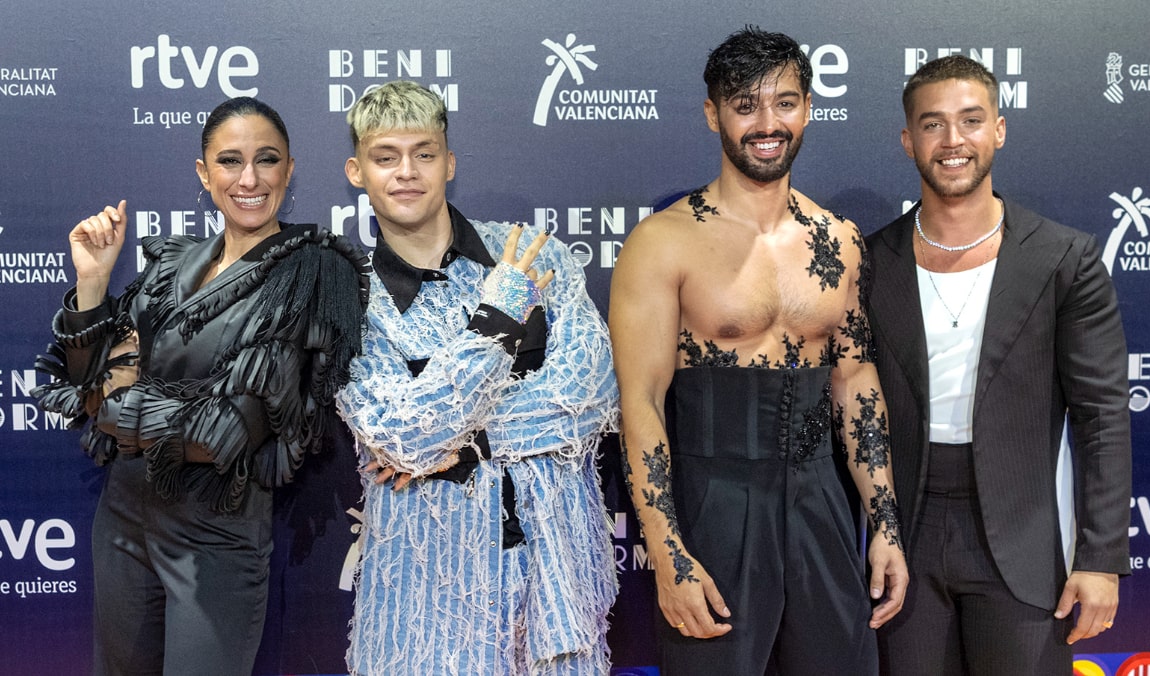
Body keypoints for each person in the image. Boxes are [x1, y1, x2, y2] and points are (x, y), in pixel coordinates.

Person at [33, 97, 370, 675]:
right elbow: (82, 380)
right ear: (202, 172)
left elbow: (222, 433)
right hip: (121, 519)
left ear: (290, 170)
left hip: (215, 536)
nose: (249, 179)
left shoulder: (312, 271)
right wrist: (93, 285)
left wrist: (121, 390)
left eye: (267, 160)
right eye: (230, 160)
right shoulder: (171, 266)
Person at [609, 27, 908, 675]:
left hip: (824, 509)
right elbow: (642, 401)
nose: (767, 124)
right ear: (713, 113)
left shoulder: (840, 240)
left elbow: (855, 384)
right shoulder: (664, 241)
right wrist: (669, 555)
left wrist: (883, 523)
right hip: (716, 508)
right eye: (746, 106)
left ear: (808, 108)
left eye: (785, 103)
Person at [333, 80, 619, 675]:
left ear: (450, 163)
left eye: (424, 153)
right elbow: (404, 437)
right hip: (423, 599)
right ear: (357, 171)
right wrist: (496, 318)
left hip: (555, 583)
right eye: (386, 157)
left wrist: (470, 441)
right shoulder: (346, 296)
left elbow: (591, 392)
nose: (406, 172)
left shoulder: (536, 256)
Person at [866, 55, 1131, 674]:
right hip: (907, 536)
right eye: (932, 125)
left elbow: (1102, 417)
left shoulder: (1065, 259)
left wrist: (1100, 559)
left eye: (970, 121)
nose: (953, 141)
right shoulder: (870, 262)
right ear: (908, 141)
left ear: (999, 130)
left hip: (1023, 536)